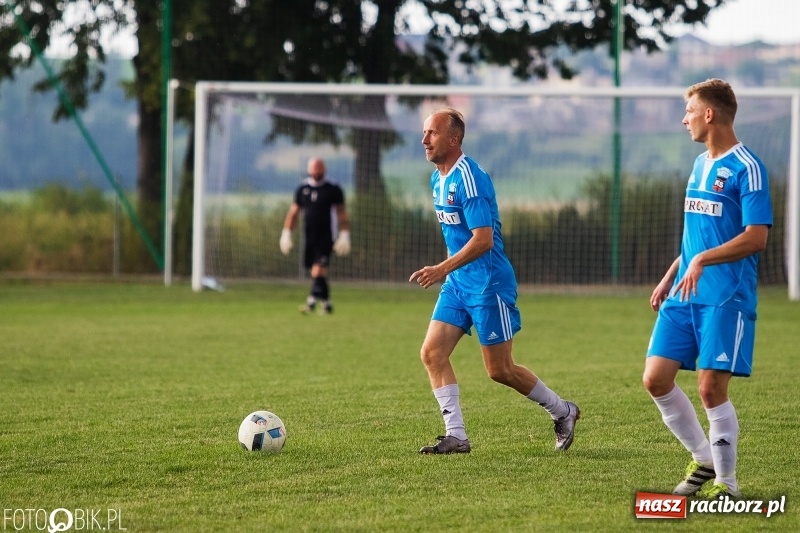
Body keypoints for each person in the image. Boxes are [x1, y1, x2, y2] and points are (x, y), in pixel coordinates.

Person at [409, 107, 580, 454]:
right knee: (432, 353)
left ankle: (563, 411)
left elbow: (483, 239)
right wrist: (450, 273)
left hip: (488, 285)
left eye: (433, 133)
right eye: (425, 132)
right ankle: (456, 435)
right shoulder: (437, 179)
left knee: (499, 370)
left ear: (454, 139)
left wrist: (441, 268)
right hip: (458, 284)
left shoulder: (469, 178)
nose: (425, 139)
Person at [643, 79, 772, 498]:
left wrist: (701, 260)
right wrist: (671, 274)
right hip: (685, 291)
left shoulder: (748, 168)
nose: (685, 120)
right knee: (655, 379)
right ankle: (703, 457)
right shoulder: (700, 165)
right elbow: (696, 237)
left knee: (709, 387)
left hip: (725, 296)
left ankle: (728, 486)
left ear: (710, 114)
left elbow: (756, 237)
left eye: (690, 111)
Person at [280, 157, 351, 314]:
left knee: (318, 270)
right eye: (314, 167)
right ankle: (325, 304)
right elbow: (294, 213)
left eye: (319, 167)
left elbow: (342, 213)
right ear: (309, 169)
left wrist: (344, 234)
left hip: (327, 237)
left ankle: (311, 303)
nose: (317, 170)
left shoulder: (333, 189)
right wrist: (286, 233)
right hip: (309, 237)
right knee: (315, 272)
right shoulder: (302, 189)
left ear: (324, 169)